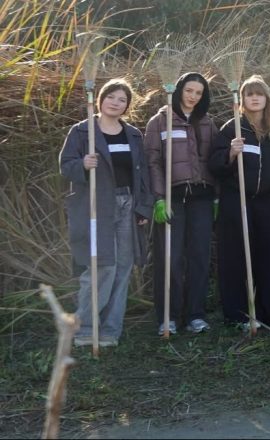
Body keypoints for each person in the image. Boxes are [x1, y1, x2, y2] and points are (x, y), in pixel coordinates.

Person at [60, 78, 152, 346]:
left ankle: (111, 330)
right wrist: (83, 164)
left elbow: (143, 173)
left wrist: (143, 206)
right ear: (100, 99)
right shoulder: (81, 132)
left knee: (123, 266)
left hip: (127, 203)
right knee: (101, 266)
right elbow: (65, 166)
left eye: (122, 99)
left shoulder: (133, 134)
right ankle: (86, 329)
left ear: (127, 106)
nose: (116, 102)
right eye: (111, 96)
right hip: (96, 205)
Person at [209, 75, 270, 330]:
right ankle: (240, 315)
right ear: (242, 100)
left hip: (267, 203)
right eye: (250, 94)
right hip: (236, 202)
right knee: (237, 256)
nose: (255, 98)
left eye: (259, 94)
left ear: (266, 99)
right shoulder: (232, 128)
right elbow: (214, 164)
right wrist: (230, 153)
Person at [144, 72, 218, 335]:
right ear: (178, 91)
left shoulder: (207, 122)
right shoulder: (159, 121)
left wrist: (216, 195)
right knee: (171, 259)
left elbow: (215, 161)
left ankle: (195, 315)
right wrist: (159, 198)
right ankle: (169, 316)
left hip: (201, 198)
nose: (193, 97)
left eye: (198, 93)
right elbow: (152, 162)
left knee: (199, 256)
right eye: (189, 91)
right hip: (172, 197)